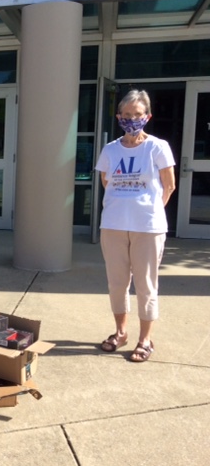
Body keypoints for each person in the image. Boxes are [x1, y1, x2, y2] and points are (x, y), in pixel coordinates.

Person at [95, 89, 176, 362]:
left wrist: (149, 210)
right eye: (126, 115)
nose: (132, 119)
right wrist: (125, 205)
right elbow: (107, 180)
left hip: (147, 227)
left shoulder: (157, 147)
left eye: (137, 114)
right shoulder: (110, 149)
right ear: (119, 117)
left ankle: (145, 339)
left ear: (147, 116)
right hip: (114, 225)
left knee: (145, 285)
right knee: (117, 283)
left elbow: (169, 185)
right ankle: (121, 332)